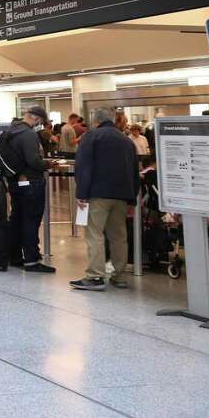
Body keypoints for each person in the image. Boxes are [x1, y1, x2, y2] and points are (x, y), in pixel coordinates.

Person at [70, 108, 138, 291]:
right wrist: (133, 199)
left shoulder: (91, 137)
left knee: (95, 234)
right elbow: (134, 171)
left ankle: (95, 276)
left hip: (97, 194)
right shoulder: (126, 140)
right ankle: (120, 276)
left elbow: (84, 167)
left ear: (95, 121)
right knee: (119, 236)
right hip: (122, 195)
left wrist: (81, 193)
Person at [0, 105, 55, 273]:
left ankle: (14, 256)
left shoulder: (11, 131)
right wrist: (48, 164)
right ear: (36, 118)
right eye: (42, 121)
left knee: (17, 219)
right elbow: (33, 160)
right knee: (31, 220)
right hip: (31, 182)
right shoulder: (28, 135)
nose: (41, 125)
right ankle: (31, 260)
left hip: (15, 182)